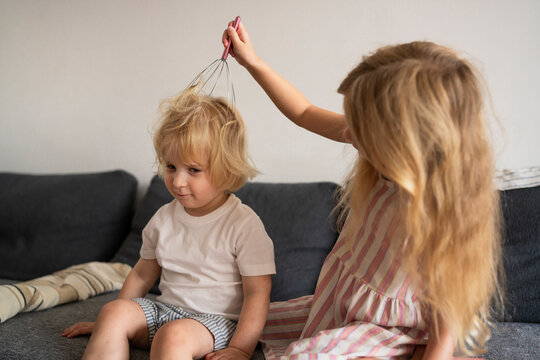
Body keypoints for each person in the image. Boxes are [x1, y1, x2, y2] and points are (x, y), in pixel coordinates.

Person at [223, 21, 502, 360]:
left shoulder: (442, 213)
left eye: (361, 126)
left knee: (305, 356)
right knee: (244, 321)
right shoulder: (378, 149)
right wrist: (252, 61)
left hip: (391, 329)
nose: (349, 133)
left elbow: (446, 328)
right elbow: (304, 112)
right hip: (341, 304)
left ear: (404, 142)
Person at [63, 88, 276, 360]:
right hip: (164, 313)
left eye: (193, 170)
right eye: (171, 167)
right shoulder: (163, 217)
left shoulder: (244, 225)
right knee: (112, 312)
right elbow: (142, 274)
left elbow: (258, 293)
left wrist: (240, 348)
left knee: (172, 336)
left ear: (227, 169)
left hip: (215, 324)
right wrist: (109, 326)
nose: (177, 182)